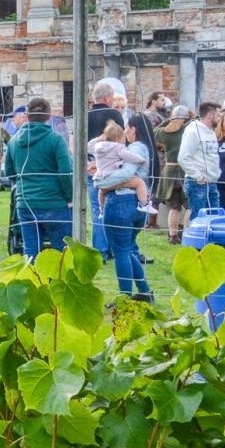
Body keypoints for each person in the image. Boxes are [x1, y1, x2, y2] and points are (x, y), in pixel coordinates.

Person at [4, 96, 73, 258]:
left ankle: (33, 282)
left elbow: (9, 172)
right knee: (59, 253)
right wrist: (70, 196)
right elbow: (65, 172)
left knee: (31, 251)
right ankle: (57, 282)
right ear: (49, 116)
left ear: (27, 116)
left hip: (26, 202)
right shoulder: (56, 140)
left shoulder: (14, 142)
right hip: (55, 203)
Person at [98, 121, 154, 301]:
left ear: (133, 129)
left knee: (120, 252)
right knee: (128, 249)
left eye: (128, 127)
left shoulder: (132, 149)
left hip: (120, 202)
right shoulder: (144, 147)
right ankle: (145, 292)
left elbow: (126, 174)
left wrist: (103, 184)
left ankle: (124, 298)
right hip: (138, 204)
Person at [85, 80, 126, 252]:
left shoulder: (85, 115)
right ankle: (113, 247)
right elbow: (121, 141)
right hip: (110, 168)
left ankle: (100, 249)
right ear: (108, 97)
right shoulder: (114, 115)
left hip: (90, 166)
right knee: (113, 206)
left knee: (96, 208)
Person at [87, 122, 156, 213]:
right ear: (120, 138)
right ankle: (144, 204)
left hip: (99, 178)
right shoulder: (118, 148)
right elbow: (129, 156)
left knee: (102, 192)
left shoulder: (99, 147)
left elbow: (88, 146)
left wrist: (99, 138)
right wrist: (141, 160)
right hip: (112, 176)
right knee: (139, 182)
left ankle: (102, 209)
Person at [178, 101, 223, 219]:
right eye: (218, 116)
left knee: (214, 218)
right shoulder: (193, 131)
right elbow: (183, 158)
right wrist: (198, 176)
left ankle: (211, 238)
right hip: (198, 183)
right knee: (198, 219)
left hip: (212, 182)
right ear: (210, 116)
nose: (220, 119)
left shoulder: (211, 132)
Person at [156, 105, 192, 243]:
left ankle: (173, 236)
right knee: (190, 205)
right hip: (184, 172)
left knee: (174, 207)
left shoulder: (163, 132)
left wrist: (167, 121)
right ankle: (187, 235)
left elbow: (154, 131)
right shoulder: (187, 130)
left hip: (169, 172)